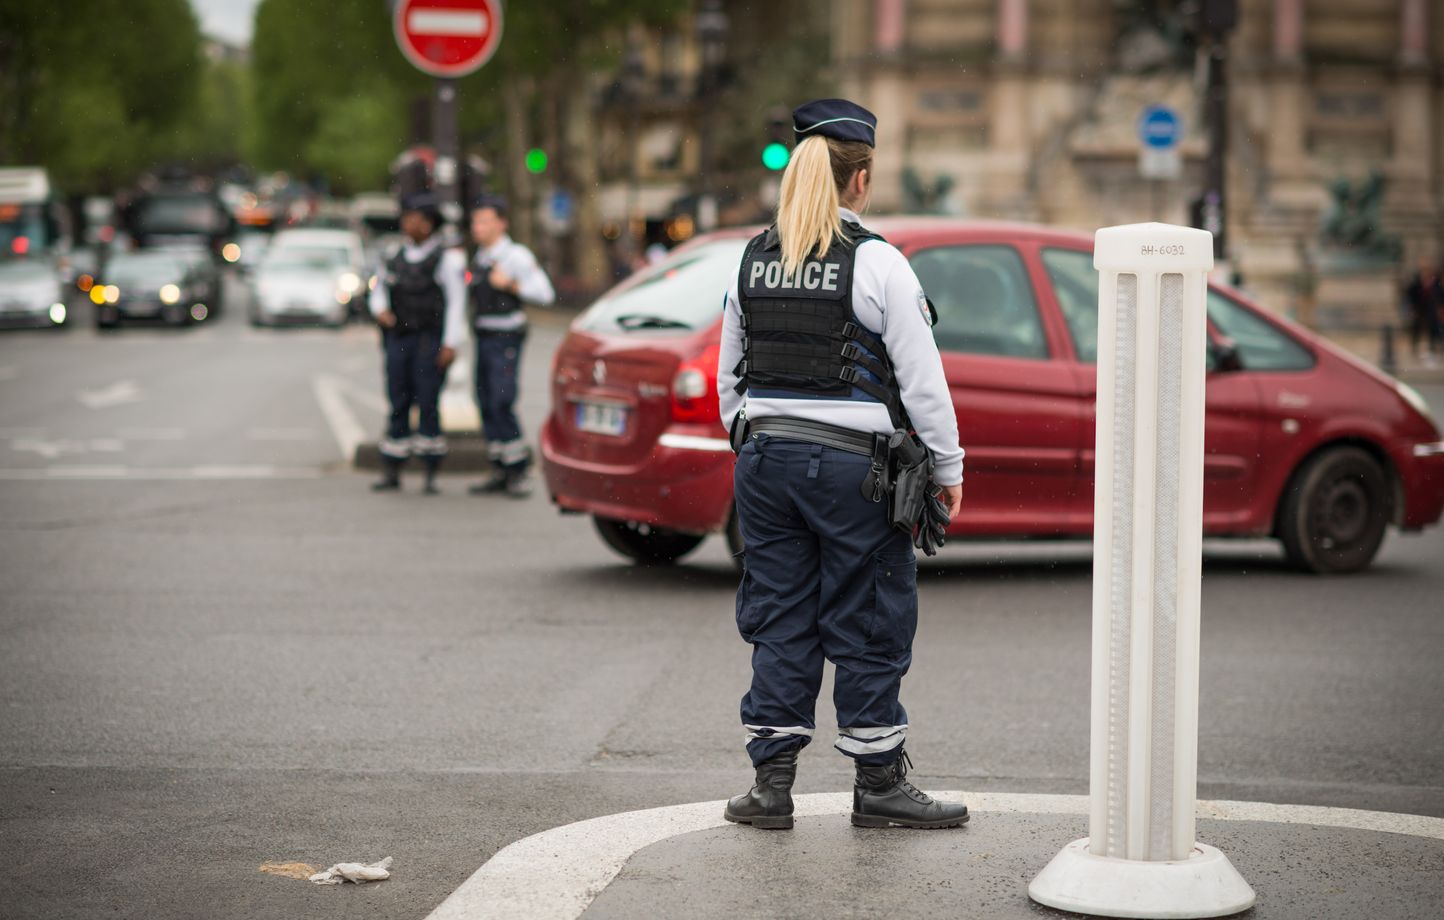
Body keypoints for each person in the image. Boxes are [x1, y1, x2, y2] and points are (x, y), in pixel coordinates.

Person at [717, 99, 968, 831]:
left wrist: (754, 434)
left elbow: (731, 376)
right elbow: (924, 382)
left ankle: (770, 788)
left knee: (780, 615)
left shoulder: (753, 259)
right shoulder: (880, 263)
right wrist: (948, 469)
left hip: (763, 465)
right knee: (867, 615)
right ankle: (879, 785)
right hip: (855, 471)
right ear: (858, 182)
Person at [368, 190, 467, 494]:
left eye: (414, 219)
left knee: (427, 402)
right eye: (406, 218)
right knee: (397, 399)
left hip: (429, 339)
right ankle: (393, 468)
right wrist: (380, 310)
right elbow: (379, 288)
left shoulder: (446, 260)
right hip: (400, 337)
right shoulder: (393, 256)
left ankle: (430, 470)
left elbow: (456, 302)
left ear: (428, 224)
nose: (407, 224)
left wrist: (450, 344)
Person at [465, 194, 555, 497]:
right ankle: (499, 467)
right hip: (484, 334)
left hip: (506, 336)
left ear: (501, 223)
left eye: (485, 221)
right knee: (485, 400)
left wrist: (511, 284)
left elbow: (545, 293)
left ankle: (518, 471)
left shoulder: (515, 256)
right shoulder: (478, 256)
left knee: (503, 399)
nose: (478, 227)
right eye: (476, 221)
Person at [1403, 258, 1443, 366]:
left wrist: (1439, 307)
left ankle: (1432, 350)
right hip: (1419, 310)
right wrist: (1412, 308)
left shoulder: (1435, 282)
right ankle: (1415, 349)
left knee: (1433, 330)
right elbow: (1410, 294)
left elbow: (1439, 295)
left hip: (1431, 310)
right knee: (1416, 330)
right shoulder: (1416, 282)